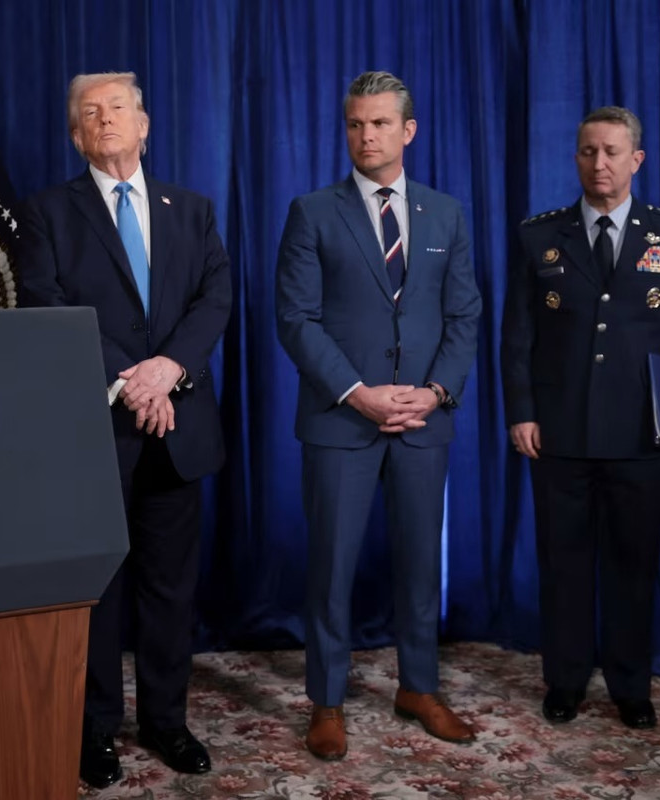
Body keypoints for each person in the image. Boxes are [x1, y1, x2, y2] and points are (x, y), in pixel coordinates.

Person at [15, 72, 230, 788]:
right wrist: (130, 381)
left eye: (117, 108)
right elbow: (44, 303)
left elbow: (214, 297)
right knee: (99, 592)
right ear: (76, 137)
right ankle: (95, 728)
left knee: (171, 590)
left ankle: (168, 722)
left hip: (179, 423)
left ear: (144, 124)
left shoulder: (191, 210)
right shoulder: (47, 212)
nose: (104, 119)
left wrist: (168, 369)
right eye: (89, 113)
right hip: (93, 432)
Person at [275, 71, 481, 759]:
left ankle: (419, 688)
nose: (367, 136)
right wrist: (357, 392)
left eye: (381, 123)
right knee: (331, 569)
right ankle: (327, 701)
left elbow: (465, 315)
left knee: (421, 565)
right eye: (356, 124)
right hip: (342, 421)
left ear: (408, 130)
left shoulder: (445, 214)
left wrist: (436, 391)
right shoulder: (312, 212)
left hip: (423, 421)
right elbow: (296, 319)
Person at [501, 106, 660, 730]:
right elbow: (517, 338)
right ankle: (565, 681)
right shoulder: (539, 236)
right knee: (563, 563)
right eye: (589, 151)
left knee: (634, 564)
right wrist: (521, 412)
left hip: (642, 430)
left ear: (636, 160)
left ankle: (630, 686)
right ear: (576, 157)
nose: (600, 163)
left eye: (612, 152)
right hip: (559, 429)